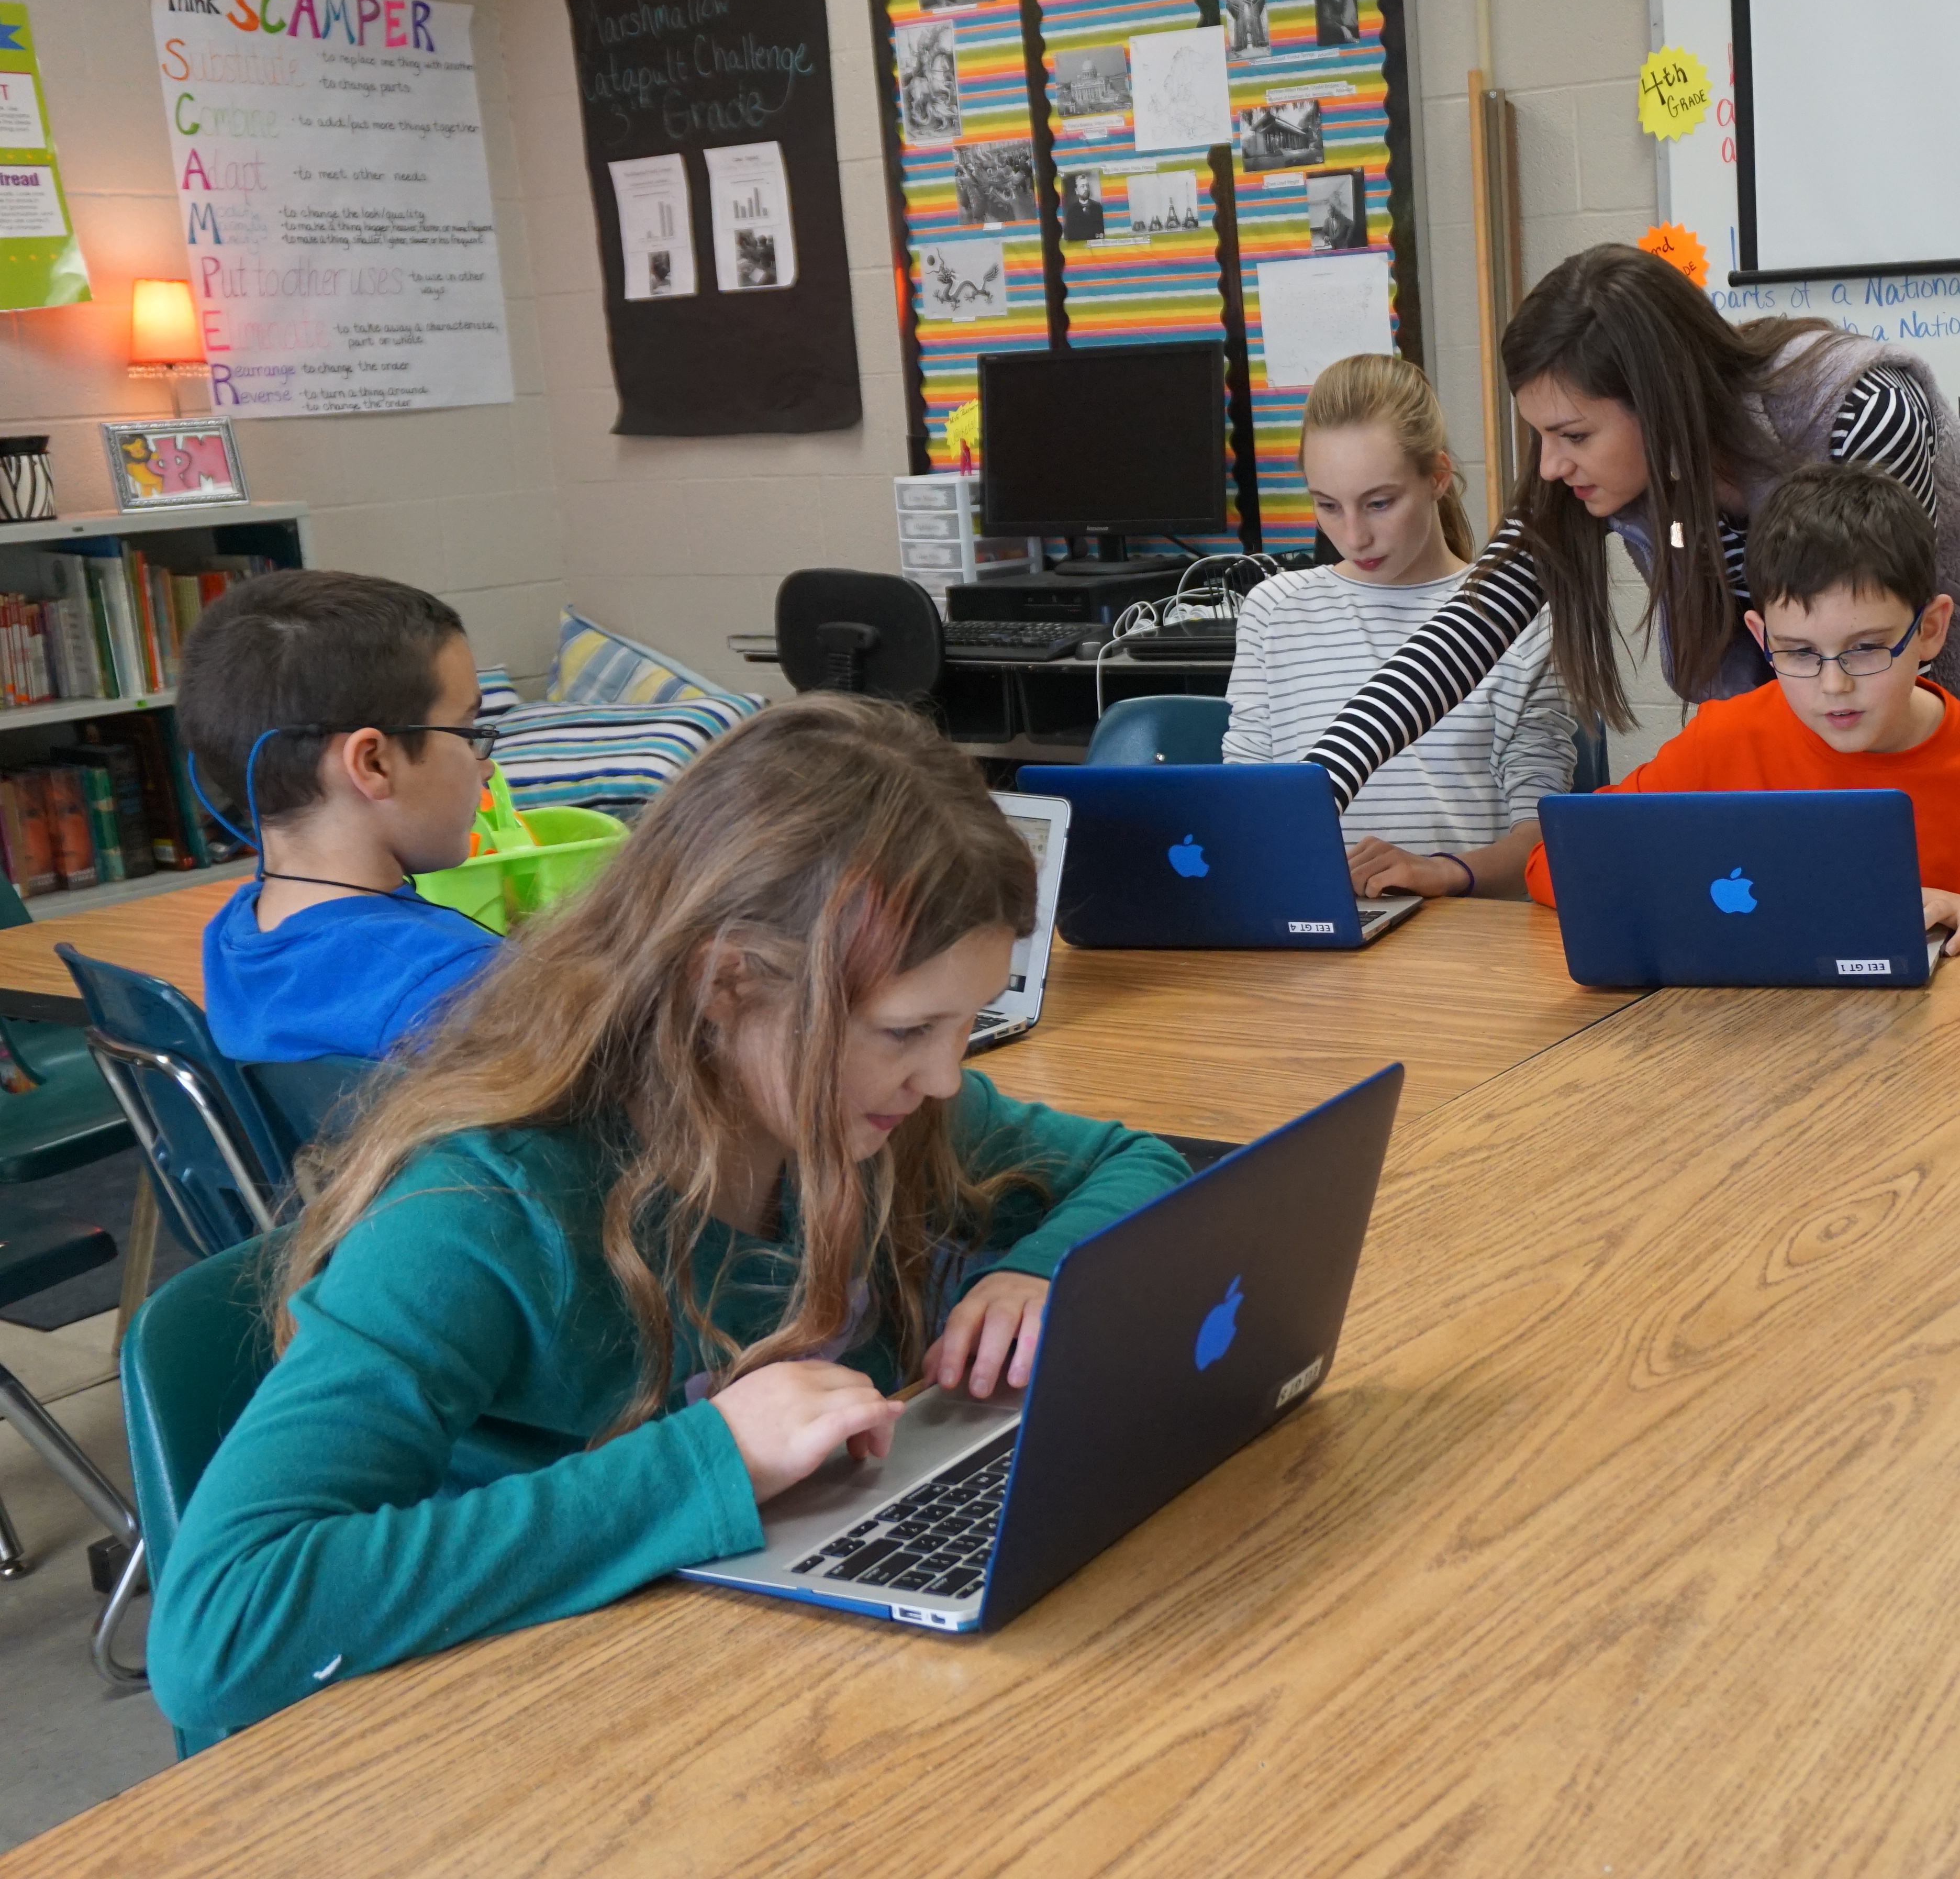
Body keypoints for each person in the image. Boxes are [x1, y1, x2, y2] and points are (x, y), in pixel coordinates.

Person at [148, 697, 1193, 1744]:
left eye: (969, 1023)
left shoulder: (868, 1109)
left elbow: (1134, 1159)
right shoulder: (479, 1209)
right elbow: (221, 1630)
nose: (941, 1076)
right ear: (728, 981)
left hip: (786, 1689)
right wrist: (714, 1462)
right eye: (909, 1029)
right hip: (540, 1732)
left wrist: (1045, 1268)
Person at [1299, 245, 1960, 813]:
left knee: (1938, 872)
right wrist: (1315, 785)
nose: (1549, 467)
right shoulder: (1614, 474)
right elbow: (1466, 634)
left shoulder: (1858, 409)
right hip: (1824, 673)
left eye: (1574, 436)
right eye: (1541, 435)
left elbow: (1869, 636)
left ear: (1659, 402)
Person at [1522, 461, 1960, 950]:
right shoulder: (1724, 740)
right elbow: (1556, 865)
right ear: (1761, 638)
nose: (1834, 686)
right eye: (1800, 653)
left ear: (1931, 630)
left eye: (1867, 648)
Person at [1224, 356, 1575, 900]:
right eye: (1328, 506)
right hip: (1311, 924)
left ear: (1437, 477)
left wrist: (1441, 870)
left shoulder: (1520, 619)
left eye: (1379, 503)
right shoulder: (1275, 610)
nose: (1354, 535)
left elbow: (1541, 840)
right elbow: (1241, 810)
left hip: (1462, 934)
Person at [176, 570, 503, 1063]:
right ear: (373, 763)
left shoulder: (235, 937)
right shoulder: (460, 985)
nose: (487, 765)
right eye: (465, 730)